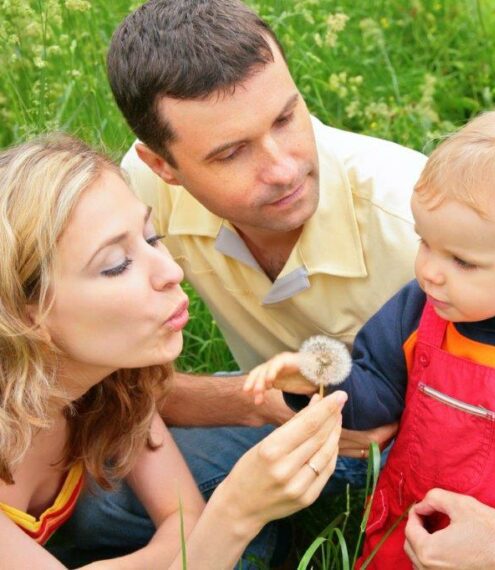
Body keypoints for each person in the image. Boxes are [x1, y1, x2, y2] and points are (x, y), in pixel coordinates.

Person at [106, 1, 495, 567]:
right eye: (231, 152)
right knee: (101, 504)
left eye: (284, 118)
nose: (282, 168)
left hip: (447, 455)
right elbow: (370, 379)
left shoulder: (429, 220)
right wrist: (275, 395)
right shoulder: (139, 190)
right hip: (316, 411)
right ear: (164, 167)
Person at [0, 133, 348, 569]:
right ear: (25, 314)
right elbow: (194, 539)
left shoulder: (111, 380)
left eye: (151, 237)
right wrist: (238, 510)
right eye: (115, 265)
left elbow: (183, 520)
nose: (172, 271)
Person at [245, 110, 495, 568]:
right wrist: (318, 379)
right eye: (425, 242)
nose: (429, 271)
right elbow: (377, 396)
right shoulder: (416, 312)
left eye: (462, 261)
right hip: (403, 530)